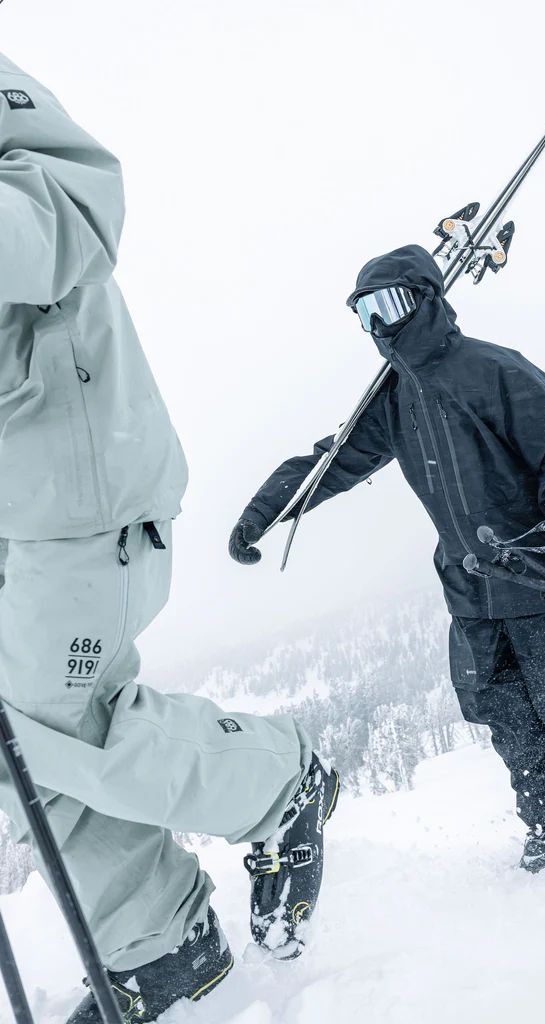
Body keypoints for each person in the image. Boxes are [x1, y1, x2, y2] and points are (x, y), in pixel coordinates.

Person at [0, 53, 339, 1024]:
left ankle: (278, 778)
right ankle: (158, 941)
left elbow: (75, 202)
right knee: (14, 742)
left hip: (72, 482)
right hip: (12, 505)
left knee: (59, 717)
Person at [230, 243, 545, 873]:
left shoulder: (495, 370)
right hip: (469, 590)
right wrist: (263, 513)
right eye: (363, 312)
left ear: (426, 297)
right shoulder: (391, 401)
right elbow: (335, 461)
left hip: (541, 575)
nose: (378, 325)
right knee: (508, 717)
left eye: (389, 304)